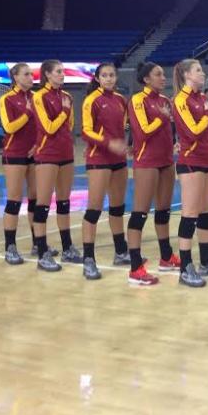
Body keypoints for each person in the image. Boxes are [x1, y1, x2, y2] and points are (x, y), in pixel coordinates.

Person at [173, 58, 208, 288]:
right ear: (187, 75)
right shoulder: (181, 100)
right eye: (198, 70)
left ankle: (207, 261)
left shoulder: (203, 98)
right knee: (190, 213)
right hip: (192, 162)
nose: (203, 73)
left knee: (207, 212)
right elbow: (193, 131)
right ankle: (186, 267)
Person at [127, 62, 180, 286]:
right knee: (140, 213)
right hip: (147, 161)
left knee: (163, 211)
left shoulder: (165, 101)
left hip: (166, 161)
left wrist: (175, 144)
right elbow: (143, 130)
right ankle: (135, 267)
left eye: (163, 73)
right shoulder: (138, 100)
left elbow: (171, 131)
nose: (163, 77)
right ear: (146, 79)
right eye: (158, 74)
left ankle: (166, 256)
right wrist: (161, 117)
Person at [80, 62, 131, 280]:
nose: (109, 79)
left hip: (119, 159)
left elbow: (126, 126)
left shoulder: (121, 100)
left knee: (117, 208)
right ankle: (88, 260)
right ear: (98, 78)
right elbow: (85, 131)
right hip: (99, 158)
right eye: (105, 75)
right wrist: (108, 143)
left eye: (112, 75)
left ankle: (121, 251)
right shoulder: (91, 100)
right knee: (94, 209)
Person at [32, 59, 80, 271]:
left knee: (64, 202)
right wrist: (63, 111)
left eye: (63, 71)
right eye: (58, 72)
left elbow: (69, 127)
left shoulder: (67, 97)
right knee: (43, 204)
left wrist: (65, 110)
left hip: (66, 153)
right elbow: (49, 127)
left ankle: (67, 247)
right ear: (47, 75)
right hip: (47, 154)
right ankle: (42, 252)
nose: (62, 74)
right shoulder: (39, 96)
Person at [0, 63, 37, 265]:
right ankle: (10, 247)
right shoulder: (7, 99)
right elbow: (9, 127)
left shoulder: (35, 98)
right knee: (14, 201)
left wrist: (39, 144)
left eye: (31, 74)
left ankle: (37, 243)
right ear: (15, 76)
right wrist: (28, 113)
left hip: (34, 155)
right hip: (14, 154)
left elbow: (42, 127)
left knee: (35, 200)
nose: (31, 77)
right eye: (26, 74)